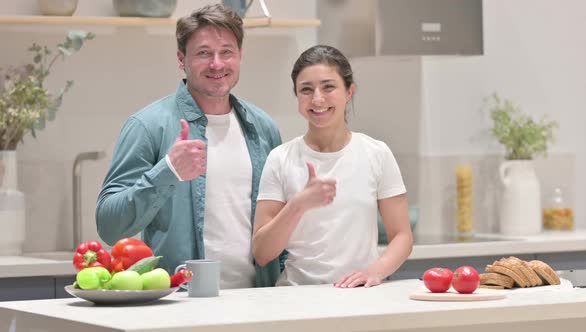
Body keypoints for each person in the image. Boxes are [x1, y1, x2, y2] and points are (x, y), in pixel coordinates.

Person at [96, 4, 283, 288]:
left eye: (227, 52)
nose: (217, 64)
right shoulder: (148, 126)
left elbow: (276, 225)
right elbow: (109, 226)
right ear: (182, 59)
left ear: (240, 56)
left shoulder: (262, 127)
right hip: (179, 302)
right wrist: (167, 171)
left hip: (257, 302)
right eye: (204, 53)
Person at [252, 45, 413, 287]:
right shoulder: (280, 159)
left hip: (359, 297)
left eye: (329, 87)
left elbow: (402, 236)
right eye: (306, 90)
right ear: (297, 97)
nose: (317, 99)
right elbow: (262, 253)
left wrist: (375, 272)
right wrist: (298, 204)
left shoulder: (376, 154)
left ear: (349, 92)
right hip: (296, 298)